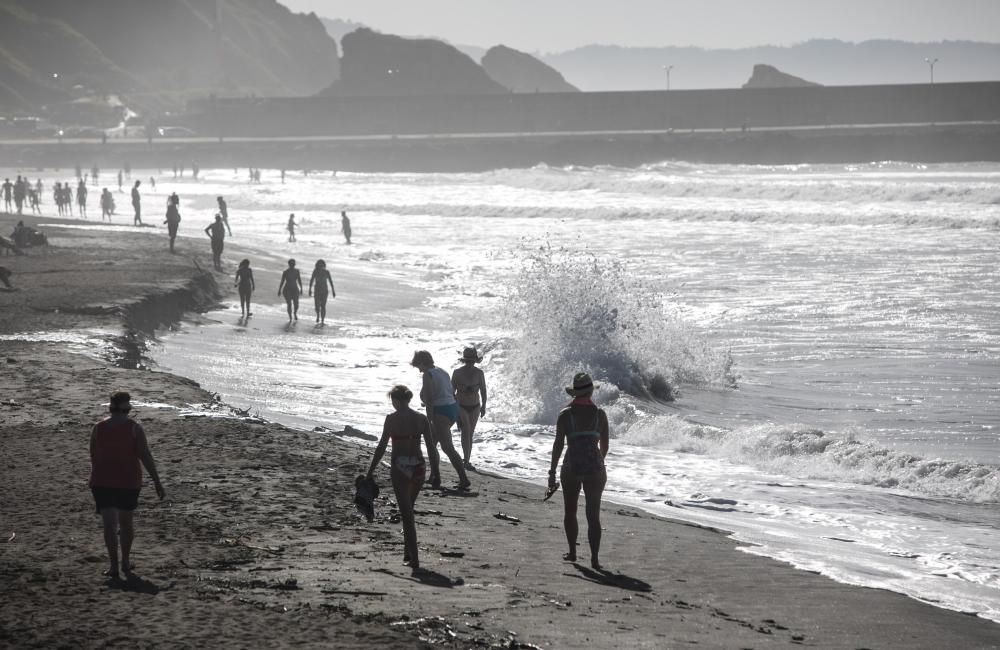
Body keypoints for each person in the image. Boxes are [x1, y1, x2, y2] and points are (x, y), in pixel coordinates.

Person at [89, 391, 165, 581]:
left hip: (103, 482)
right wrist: (156, 481)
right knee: (126, 523)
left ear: (110, 407)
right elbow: (145, 455)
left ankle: (114, 565)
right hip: (127, 482)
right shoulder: (134, 428)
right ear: (128, 408)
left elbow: (93, 456)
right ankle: (124, 561)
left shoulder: (98, 428)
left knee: (109, 525)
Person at [366, 385, 433, 569]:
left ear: (396, 400)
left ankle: (415, 559)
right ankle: (407, 551)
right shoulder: (421, 418)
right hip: (419, 467)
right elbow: (432, 449)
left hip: (400, 467)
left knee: (407, 514)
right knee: (409, 509)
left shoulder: (392, 419)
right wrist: (436, 473)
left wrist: (370, 472)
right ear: (409, 399)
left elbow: (381, 447)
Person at [548, 373, 609, 569]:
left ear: (575, 392)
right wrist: (597, 461)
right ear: (591, 391)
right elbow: (605, 446)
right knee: (593, 515)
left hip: (572, 465)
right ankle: (595, 559)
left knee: (570, 510)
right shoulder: (600, 414)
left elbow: (558, 445)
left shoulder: (566, 414)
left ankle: (573, 552)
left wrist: (551, 471)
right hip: (594, 467)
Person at [411, 350, 470, 490]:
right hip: (452, 409)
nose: (419, 370)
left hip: (440, 411)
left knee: (447, 447)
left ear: (422, 362)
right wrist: (459, 416)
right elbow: (451, 393)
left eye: (418, 366)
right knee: (432, 444)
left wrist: (429, 419)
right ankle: (433, 476)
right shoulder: (442, 371)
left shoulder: (428, 374)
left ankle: (464, 478)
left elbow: (430, 399)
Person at [452, 347, 487, 469]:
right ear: (465, 360)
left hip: (475, 406)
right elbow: (452, 391)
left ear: (475, 361)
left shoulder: (479, 373)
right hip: (461, 405)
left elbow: (483, 390)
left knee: (469, 434)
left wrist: (484, 407)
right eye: (468, 361)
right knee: (466, 430)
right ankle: (466, 461)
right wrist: (454, 407)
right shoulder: (457, 372)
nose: (470, 363)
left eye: (472, 361)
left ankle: (467, 459)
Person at [308, 259, 336, 325]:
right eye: (319, 265)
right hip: (317, 290)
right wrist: (310, 289)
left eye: (321, 265)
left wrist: (333, 291)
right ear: (317, 266)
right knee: (317, 306)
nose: (320, 267)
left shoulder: (327, 272)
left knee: (323, 306)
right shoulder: (315, 272)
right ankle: (318, 315)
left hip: (324, 291)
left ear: (324, 265)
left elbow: (330, 281)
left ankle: (322, 320)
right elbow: (311, 280)